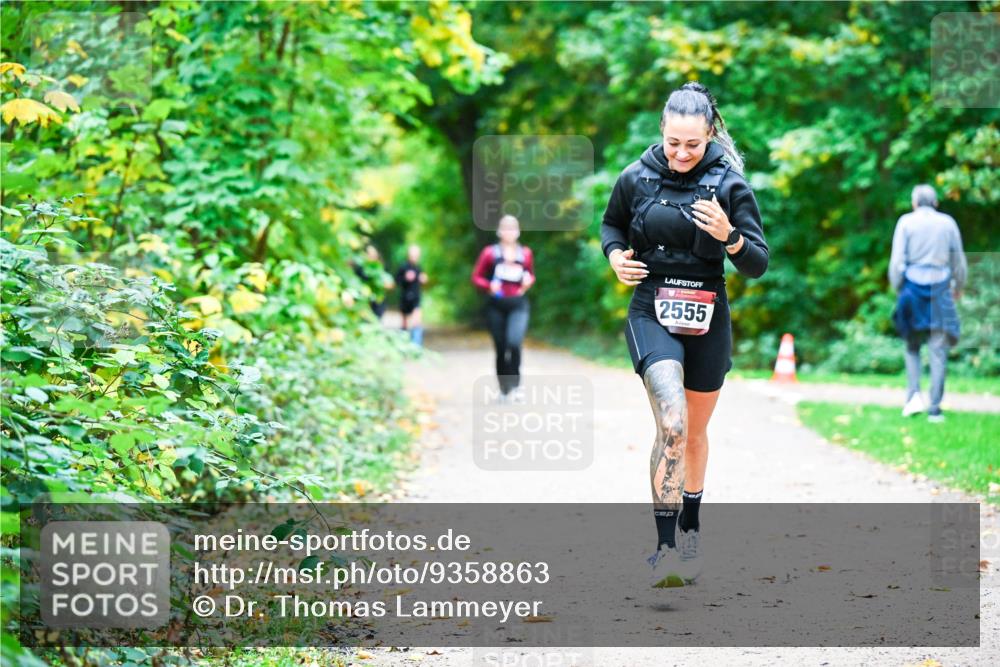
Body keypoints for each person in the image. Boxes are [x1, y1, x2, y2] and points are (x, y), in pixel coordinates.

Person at [600, 81, 768, 587]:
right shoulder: (636, 177)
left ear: (710, 133)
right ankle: (665, 548)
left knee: (693, 432)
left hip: (707, 314)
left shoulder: (730, 185)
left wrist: (729, 236)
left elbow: (757, 263)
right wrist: (615, 258)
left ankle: (691, 523)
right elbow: (610, 227)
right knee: (671, 422)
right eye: (673, 142)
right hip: (651, 308)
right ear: (662, 132)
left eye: (692, 144)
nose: (681, 153)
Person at [889, 184, 966, 423]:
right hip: (941, 288)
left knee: (912, 348)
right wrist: (958, 287)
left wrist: (898, 287)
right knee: (938, 349)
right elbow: (958, 260)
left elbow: (897, 260)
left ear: (914, 203)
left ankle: (913, 400)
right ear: (935, 202)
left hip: (912, 288)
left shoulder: (905, 222)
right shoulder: (947, 223)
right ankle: (935, 408)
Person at [471, 215, 535, 396]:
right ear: (499, 231)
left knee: (514, 342)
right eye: (505, 227)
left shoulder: (526, 253)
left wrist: (528, 281)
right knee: (500, 346)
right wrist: (488, 285)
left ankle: (516, 384)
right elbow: (476, 277)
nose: (509, 231)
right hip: (495, 305)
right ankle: (504, 388)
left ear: (518, 231)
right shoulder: (490, 253)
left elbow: (530, 275)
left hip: (518, 305)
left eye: (513, 227)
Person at [395, 244, 428, 346]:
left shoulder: (418, 268)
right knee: (404, 323)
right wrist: (405, 278)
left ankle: (416, 346)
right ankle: (403, 345)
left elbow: (423, 280)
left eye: (416, 255)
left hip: (416, 298)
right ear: (409, 255)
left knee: (416, 321)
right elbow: (396, 281)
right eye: (413, 255)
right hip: (405, 298)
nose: (414, 257)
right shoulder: (403, 267)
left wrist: (423, 279)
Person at [353, 244, 393, 322]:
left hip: (377, 304)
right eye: (368, 253)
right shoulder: (360, 269)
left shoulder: (380, 269)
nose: (370, 256)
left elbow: (390, 284)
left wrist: (384, 285)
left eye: (372, 254)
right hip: (363, 303)